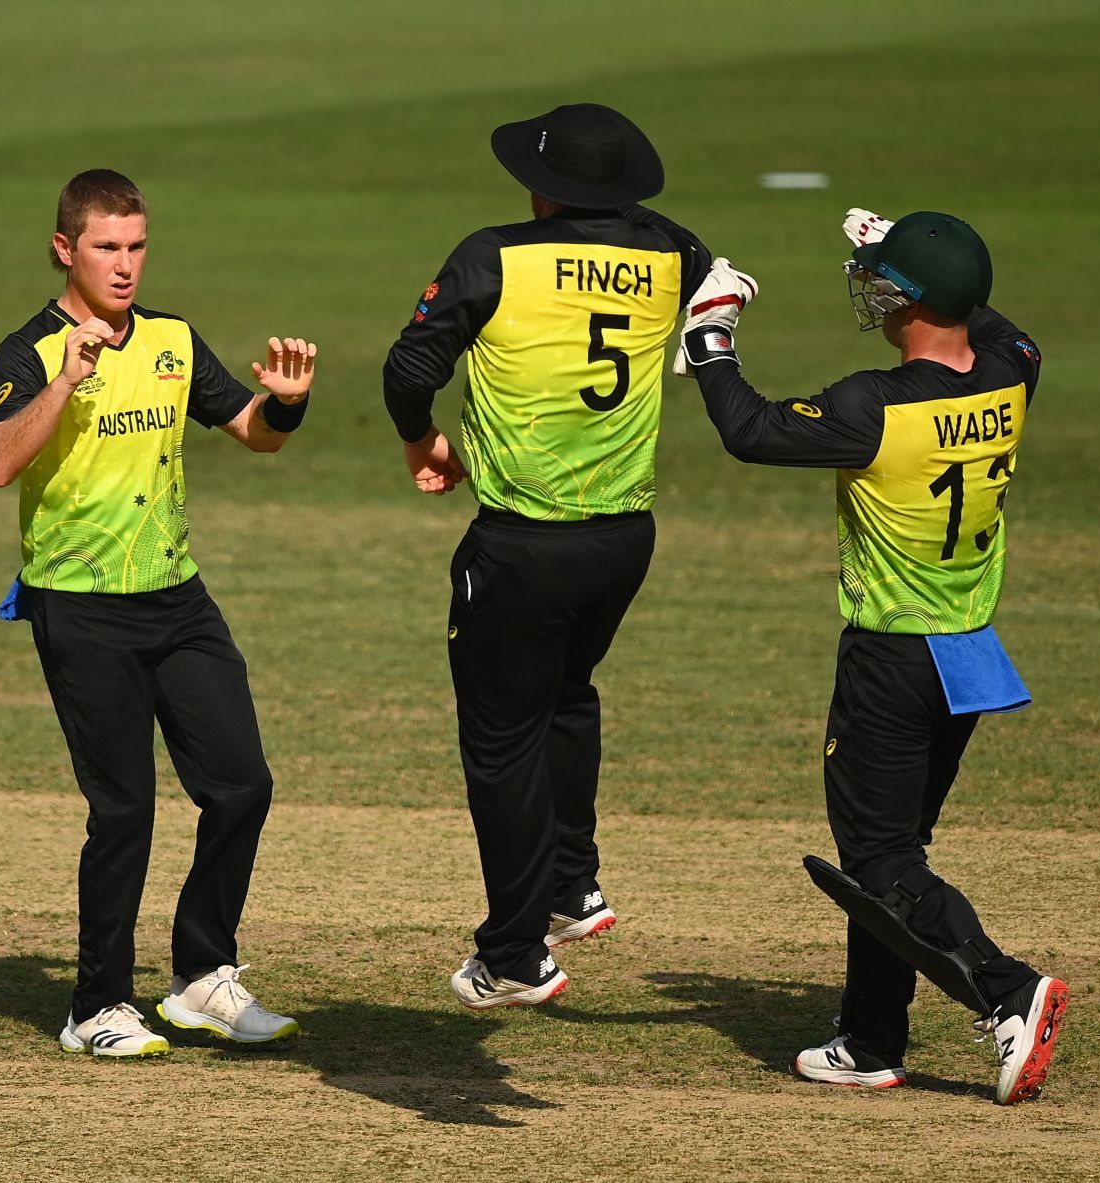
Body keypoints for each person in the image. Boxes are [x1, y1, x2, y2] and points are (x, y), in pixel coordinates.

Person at [676, 209, 1067, 1105]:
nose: (873, 291)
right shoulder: (1014, 375)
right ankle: (869, 1037)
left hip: (893, 656)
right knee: (892, 855)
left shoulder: (876, 406)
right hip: (968, 651)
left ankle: (1010, 990)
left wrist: (711, 340)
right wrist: (913, 247)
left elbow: (751, 431)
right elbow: (1009, 329)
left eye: (886, 280)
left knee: (882, 860)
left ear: (913, 301)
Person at [382, 103, 710, 1009]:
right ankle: (573, 884)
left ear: (545, 186)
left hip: (524, 543)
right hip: (624, 540)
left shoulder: (493, 255)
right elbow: (707, 260)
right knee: (567, 696)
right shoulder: (670, 257)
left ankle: (516, 953)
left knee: (500, 744)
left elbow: (408, 372)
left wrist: (422, 445)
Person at [0, 168, 314, 1057]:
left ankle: (202, 976)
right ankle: (95, 1007)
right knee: (124, 811)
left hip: (176, 598)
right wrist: (68, 382)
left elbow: (252, 433)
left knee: (243, 784)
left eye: (135, 246)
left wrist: (287, 403)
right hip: (80, 606)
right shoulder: (29, 351)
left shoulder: (170, 337)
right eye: (106, 248)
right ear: (66, 249)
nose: (124, 266)